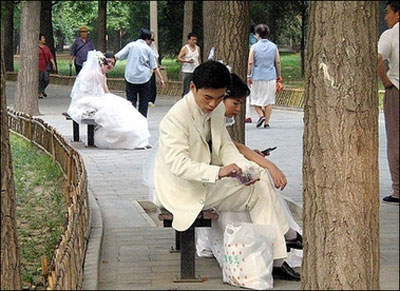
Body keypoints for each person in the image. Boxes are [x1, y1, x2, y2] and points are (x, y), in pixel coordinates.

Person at [153, 61, 301, 281]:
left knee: (258, 181)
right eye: (208, 98)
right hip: (181, 188)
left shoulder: (216, 109)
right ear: (193, 87)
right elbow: (178, 165)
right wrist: (219, 172)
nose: (214, 104)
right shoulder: (175, 119)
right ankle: (284, 245)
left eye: (220, 98)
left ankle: (276, 258)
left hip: (205, 182)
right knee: (259, 186)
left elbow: (225, 146)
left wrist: (244, 170)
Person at [66, 50, 151, 150]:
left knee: (121, 105)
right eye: (108, 62)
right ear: (101, 62)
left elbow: (106, 92)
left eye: (113, 64)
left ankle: (131, 133)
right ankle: (125, 135)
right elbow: (87, 91)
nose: (110, 65)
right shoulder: (94, 74)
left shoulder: (101, 75)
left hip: (98, 97)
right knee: (111, 108)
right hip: (88, 99)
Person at [378, 1, 399, 204]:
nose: (386, 17)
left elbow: (377, 57)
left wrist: (385, 81)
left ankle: (398, 190)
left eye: (388, 13)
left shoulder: (391, 35)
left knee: (395, 140)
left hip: (397, 91)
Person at [115, 28, 159, 118]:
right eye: (151, 40)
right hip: (144, 79)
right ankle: (142, 120)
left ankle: (131, 120)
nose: (152, 42)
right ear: (146, 39)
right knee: (144, 101)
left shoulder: (131, 45)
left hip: (130, 77)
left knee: (131, 101)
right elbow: (154, 67)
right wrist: (161, 79)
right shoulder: (148, 49)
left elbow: (117, 56)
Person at [247, 24, 283, 129]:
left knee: (255, 99)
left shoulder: (254, 47)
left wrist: (248, 75)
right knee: (269, 100)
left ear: (257, 34)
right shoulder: (273, 46)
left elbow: (250, 62)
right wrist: (279, 75)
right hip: (271, 76)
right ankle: (267, 123)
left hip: (257, 76)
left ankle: (261, 115)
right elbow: (277, 61)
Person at [177, 32, 201, 97]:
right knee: (187, 86)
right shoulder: (185, 48)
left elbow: (198, 59)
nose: (194, 41)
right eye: (192, 40)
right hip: (187, 71)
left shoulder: (198, 48)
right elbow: (179, 58)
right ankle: (184, 97)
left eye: (195, 40)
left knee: (196, 85)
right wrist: (187, 61)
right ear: (188, 40)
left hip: (195, 70)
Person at [147, 31, 166, 108]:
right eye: (151, 39)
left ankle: (151, 100)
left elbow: (155, 57)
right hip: (143, 70)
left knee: (152, 85)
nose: (151, 41)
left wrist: (161, 77)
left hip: (151, 69)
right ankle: (146, 99)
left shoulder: (152, 46)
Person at [245, 22, 258, 123]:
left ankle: (247, 115)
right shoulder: (256, 41)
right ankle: (262, 112)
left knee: (245, 92)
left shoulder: (242, 39)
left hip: (246, 67)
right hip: (257, 70)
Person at [38, 33, 56, 99]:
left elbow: (50, 56)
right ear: (39, 40)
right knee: (40, 80)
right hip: (38, 67)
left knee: (46, 80)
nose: (44, 39)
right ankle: (40, 93)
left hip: (45, 67)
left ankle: (42, 90)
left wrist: (53, 64)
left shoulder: (46, 48)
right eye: (43, 38)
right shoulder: (36, 48)